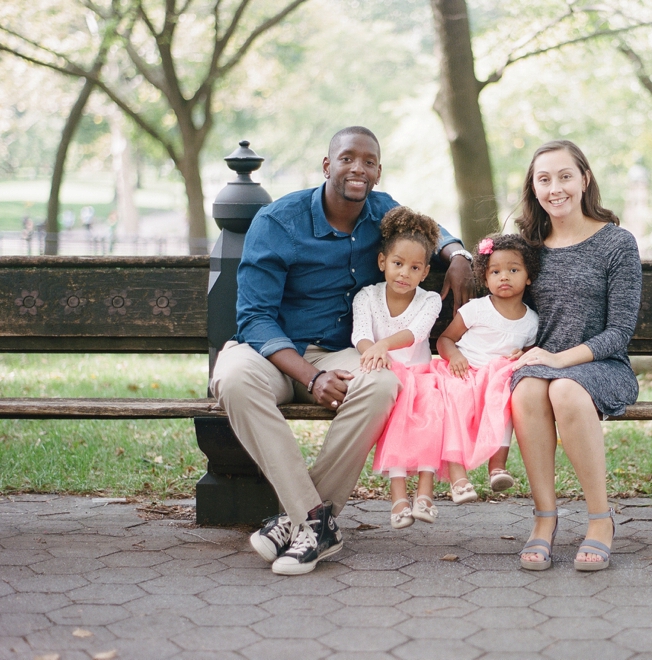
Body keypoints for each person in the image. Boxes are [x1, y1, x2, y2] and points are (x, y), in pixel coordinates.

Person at [210, 126, 474, 576]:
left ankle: (296, 523)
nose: (358, 168)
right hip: (272, 351)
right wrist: (310, 378)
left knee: (382, 382)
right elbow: (254, 318)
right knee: (232, 379)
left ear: (377, 171)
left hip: (341, 353)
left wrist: (457, 254)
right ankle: (314, 520)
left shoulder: (380, 211)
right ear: (328, 165)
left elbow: (430, 229)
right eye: (348, 158)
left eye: (369, 161)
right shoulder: (278, 221)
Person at [510, 140, 642, 572]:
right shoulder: (527, 247)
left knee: (565, 390)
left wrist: (561, 360)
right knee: (528, 392)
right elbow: (497, 299)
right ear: (534, 187)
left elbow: (620, 332)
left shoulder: (616, 243)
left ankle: (600, 520)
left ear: (584, 180)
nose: (555, 188)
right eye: (544, 179)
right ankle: (545, 518)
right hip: (538, 367)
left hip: (602, 366)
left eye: (565, 176)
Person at [377, 232, 540, 516]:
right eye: (495, 271)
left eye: (513, 270)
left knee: (505, 400)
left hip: (496, 377)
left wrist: (523, 355)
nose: (504, 277)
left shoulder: (531, 321)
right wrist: (455, 356)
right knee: (453, 400)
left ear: (528, 277)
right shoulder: (476, 309)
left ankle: (497, 466)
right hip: (461, 372)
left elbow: (529, 350)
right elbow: (444, 340)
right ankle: (458, 477)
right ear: (484, 277)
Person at [351, 207, 443, 530]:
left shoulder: (430, 301)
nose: (404, 273)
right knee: (395, 412)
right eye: (397, 264)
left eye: (414, 267)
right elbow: (360, 335)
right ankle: (399, 497)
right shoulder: (367, 297)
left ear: (425, 271)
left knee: (433, 412)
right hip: (387, 373)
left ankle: (426, 494)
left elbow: (416, 334)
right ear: (382, 263)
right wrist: (373, 351)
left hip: (422, 376)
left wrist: (382, 346)